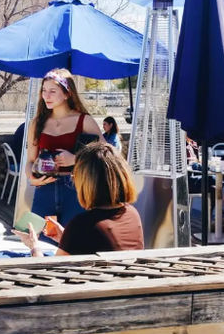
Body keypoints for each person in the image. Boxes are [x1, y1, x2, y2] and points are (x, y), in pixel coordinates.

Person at [14, 142, 144, 256]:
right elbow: (94, 244)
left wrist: (34, 247)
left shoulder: (83, 225)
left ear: (86, 182)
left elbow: (49, 274)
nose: (73, 179)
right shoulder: (132, 214)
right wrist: (66, 237)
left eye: (75, 175)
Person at [26, 68, 104, 228]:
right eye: (44, 90)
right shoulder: (37, 123)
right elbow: (30, 161)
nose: (46, 96)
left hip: (77, 189)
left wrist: (75, 158)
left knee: (74, 244)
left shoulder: (84, 120)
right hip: (44, 189)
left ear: (68, 93)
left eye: (52, 91)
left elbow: (107, 153)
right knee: (39, 240)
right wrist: (32, 178)